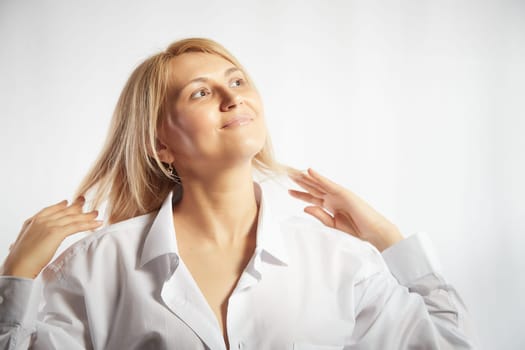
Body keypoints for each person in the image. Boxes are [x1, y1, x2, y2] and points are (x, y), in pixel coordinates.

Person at [0, 38, 476, 349]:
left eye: (237, 80)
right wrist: (17, 276)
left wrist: (391, 243)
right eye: (200, 93)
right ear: (160, 144)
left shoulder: (343, 262)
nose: (233, 98)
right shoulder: (93, 266)